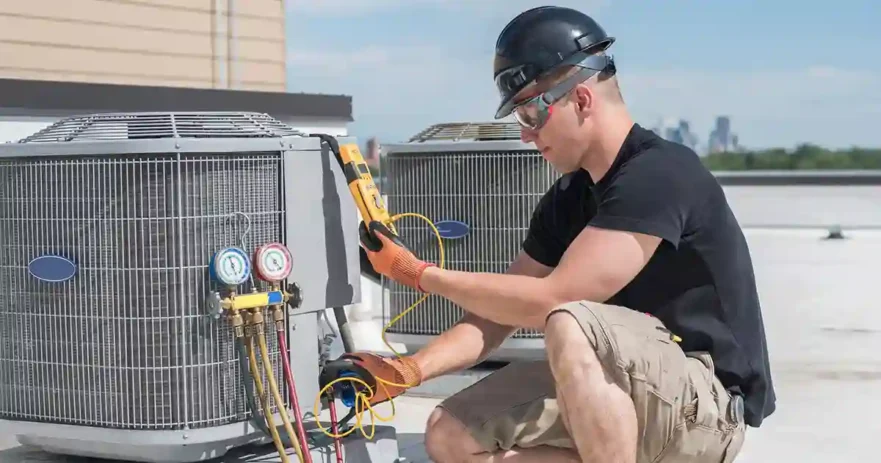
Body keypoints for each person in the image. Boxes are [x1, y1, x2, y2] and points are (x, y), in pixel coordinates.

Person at [322, 5, 776, 463]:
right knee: (449, 434)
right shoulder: (569, 198)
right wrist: (407, 370)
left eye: (530, 115)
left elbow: (550, 299)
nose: (526, 136)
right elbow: (496, 316)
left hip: (704, 408)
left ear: (581, 99)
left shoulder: (660, 174)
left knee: (570, 322)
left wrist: (417, 273)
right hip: (629, 393)